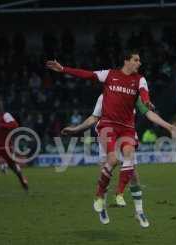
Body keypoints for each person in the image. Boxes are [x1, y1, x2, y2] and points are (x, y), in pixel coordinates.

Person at [46, 50, 155, 222]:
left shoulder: (139, 80)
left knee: (132, 170)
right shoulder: (108, 80)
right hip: (108, 129)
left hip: (126, 129)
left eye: (139, 60)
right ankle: (102, 202)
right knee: (109, 164)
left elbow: (144, 93)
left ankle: (134, 207)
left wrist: (147, 101)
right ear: (126, 61)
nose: (139, 63)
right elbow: (87, 75)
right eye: (136, 60)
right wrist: (64, 69)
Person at [62, 94, 176, 227]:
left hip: (126, 133)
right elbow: (94, 117)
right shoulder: (104, 96)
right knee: (106, 169)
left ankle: (139, 211)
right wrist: (76, 129)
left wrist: (168, 126)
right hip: (108, 133)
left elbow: (149, 113)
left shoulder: (133, 94)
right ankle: (102, 205)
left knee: (133, 174)